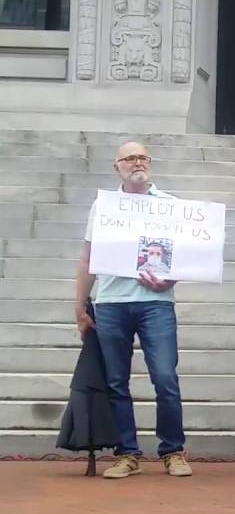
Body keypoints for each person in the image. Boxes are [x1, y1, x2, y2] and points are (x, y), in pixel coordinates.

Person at [74, 141, 190, 479]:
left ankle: (173, 450)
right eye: (129, 158)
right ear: (117, 167)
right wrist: (80, 304)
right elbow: (88, 258)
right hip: (111, 303)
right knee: (116, 381)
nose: (137, 162)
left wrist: (170, 281)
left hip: (156, 303)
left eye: (142, 157)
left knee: (165, 378)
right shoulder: (103, 207)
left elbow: (187, 256)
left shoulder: (170, 206)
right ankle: (127, 453)